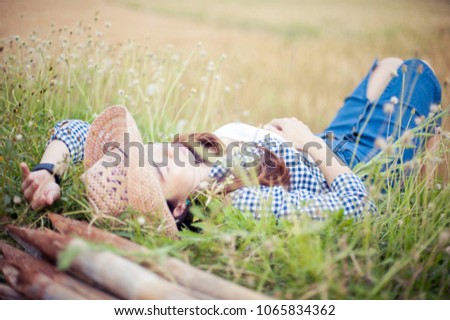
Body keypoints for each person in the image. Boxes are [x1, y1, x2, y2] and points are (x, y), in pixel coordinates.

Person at [20, 57, 442, 231]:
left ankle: (412, 167)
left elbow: (77, 128)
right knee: (419, 73)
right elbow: (357, 208)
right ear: (178, 209)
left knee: (387, 66)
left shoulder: (189, 155)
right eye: (151, 178)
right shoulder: (234, 203)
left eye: (140, 157)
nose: (151, 160)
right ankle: (406, 187)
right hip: (352, 165)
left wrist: (47, 171)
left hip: (321, 144)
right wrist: (308, 141)